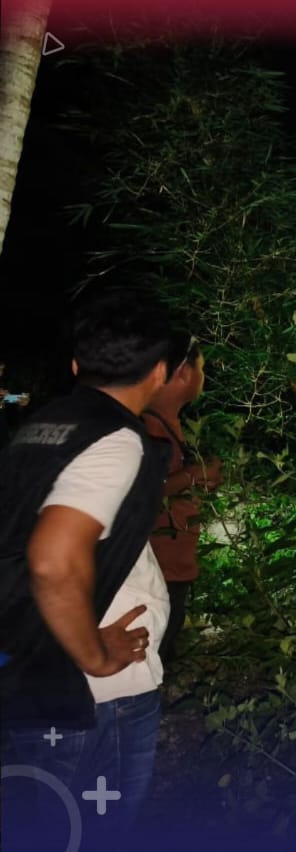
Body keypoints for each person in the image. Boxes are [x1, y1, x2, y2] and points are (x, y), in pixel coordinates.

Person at [0, 290, 181, 847]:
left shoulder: (43, 424)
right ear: (159, 372)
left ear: (77, 365)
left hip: (31, 668)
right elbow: (54, 560)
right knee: (94, 830)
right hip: (93, 693)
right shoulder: (115, 442)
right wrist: (93, 655)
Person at [141, 337, 221, 664]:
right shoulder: (146, 426)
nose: (204, 376)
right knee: (149, 660)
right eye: (201, 367)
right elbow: (139, 489)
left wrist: (199, 478)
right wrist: (193, 475)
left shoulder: (167, 424)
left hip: (172, 566)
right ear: (184, 373)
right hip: (155, 569)